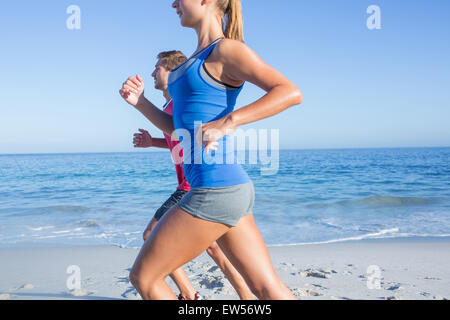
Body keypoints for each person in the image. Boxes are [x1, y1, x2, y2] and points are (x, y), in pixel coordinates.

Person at [119, 0, 303, 300]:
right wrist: (140, 102)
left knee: (145, 278)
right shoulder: (191, 62)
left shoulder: (226, 50)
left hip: (215, 189)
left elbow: (289, 92)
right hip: (228, 188)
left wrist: (229, 121)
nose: (174, 3)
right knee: (266, 289)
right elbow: (179, 132)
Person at [126, 50, 254, 300]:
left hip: (191, 186)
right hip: (200, 185)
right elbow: (180, 137)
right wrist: (152, 142)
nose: (153, 72)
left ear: (173, 71)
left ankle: (188, 293)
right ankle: (245, 297)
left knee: (150, 234)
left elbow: (195, 131)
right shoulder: (170, 105)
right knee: (216, 250)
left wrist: (215, 135)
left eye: (158, 67)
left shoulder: (179, 102)